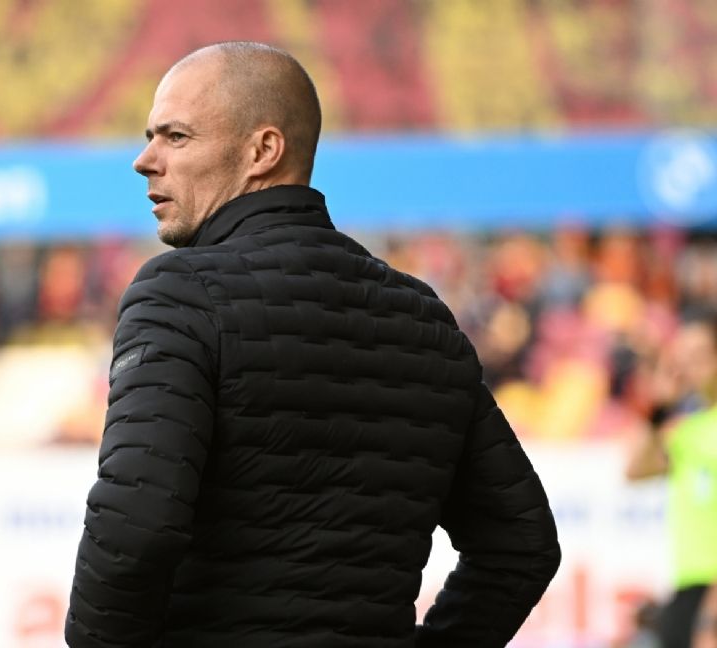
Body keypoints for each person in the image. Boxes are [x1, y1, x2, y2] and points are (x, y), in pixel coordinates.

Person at [65, 41, 561, 647]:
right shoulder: (423, 316)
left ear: (263, 151)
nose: (145, 160)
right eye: (151, 137)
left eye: (176, 137)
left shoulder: (178, 293)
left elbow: (134, 528)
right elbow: (521, 545)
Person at [627, 315, 717, 648]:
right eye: (683, 358)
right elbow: (635, 470)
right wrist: (661, 406)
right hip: (689, 579)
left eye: (699, 355)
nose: (690, 367)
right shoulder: (686, 429)